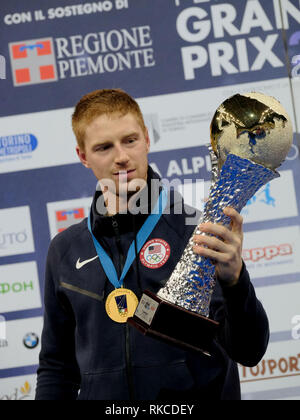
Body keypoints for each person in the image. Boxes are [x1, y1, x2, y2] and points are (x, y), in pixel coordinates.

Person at [35, 89, 269, 400]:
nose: (121, 156)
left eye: (129, 140)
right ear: (83, 156)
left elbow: (249, 351)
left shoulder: (197, 233)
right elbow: (57, 367)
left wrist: (235, 281)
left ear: (146, 139)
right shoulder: (65, 250)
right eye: (104, 147)